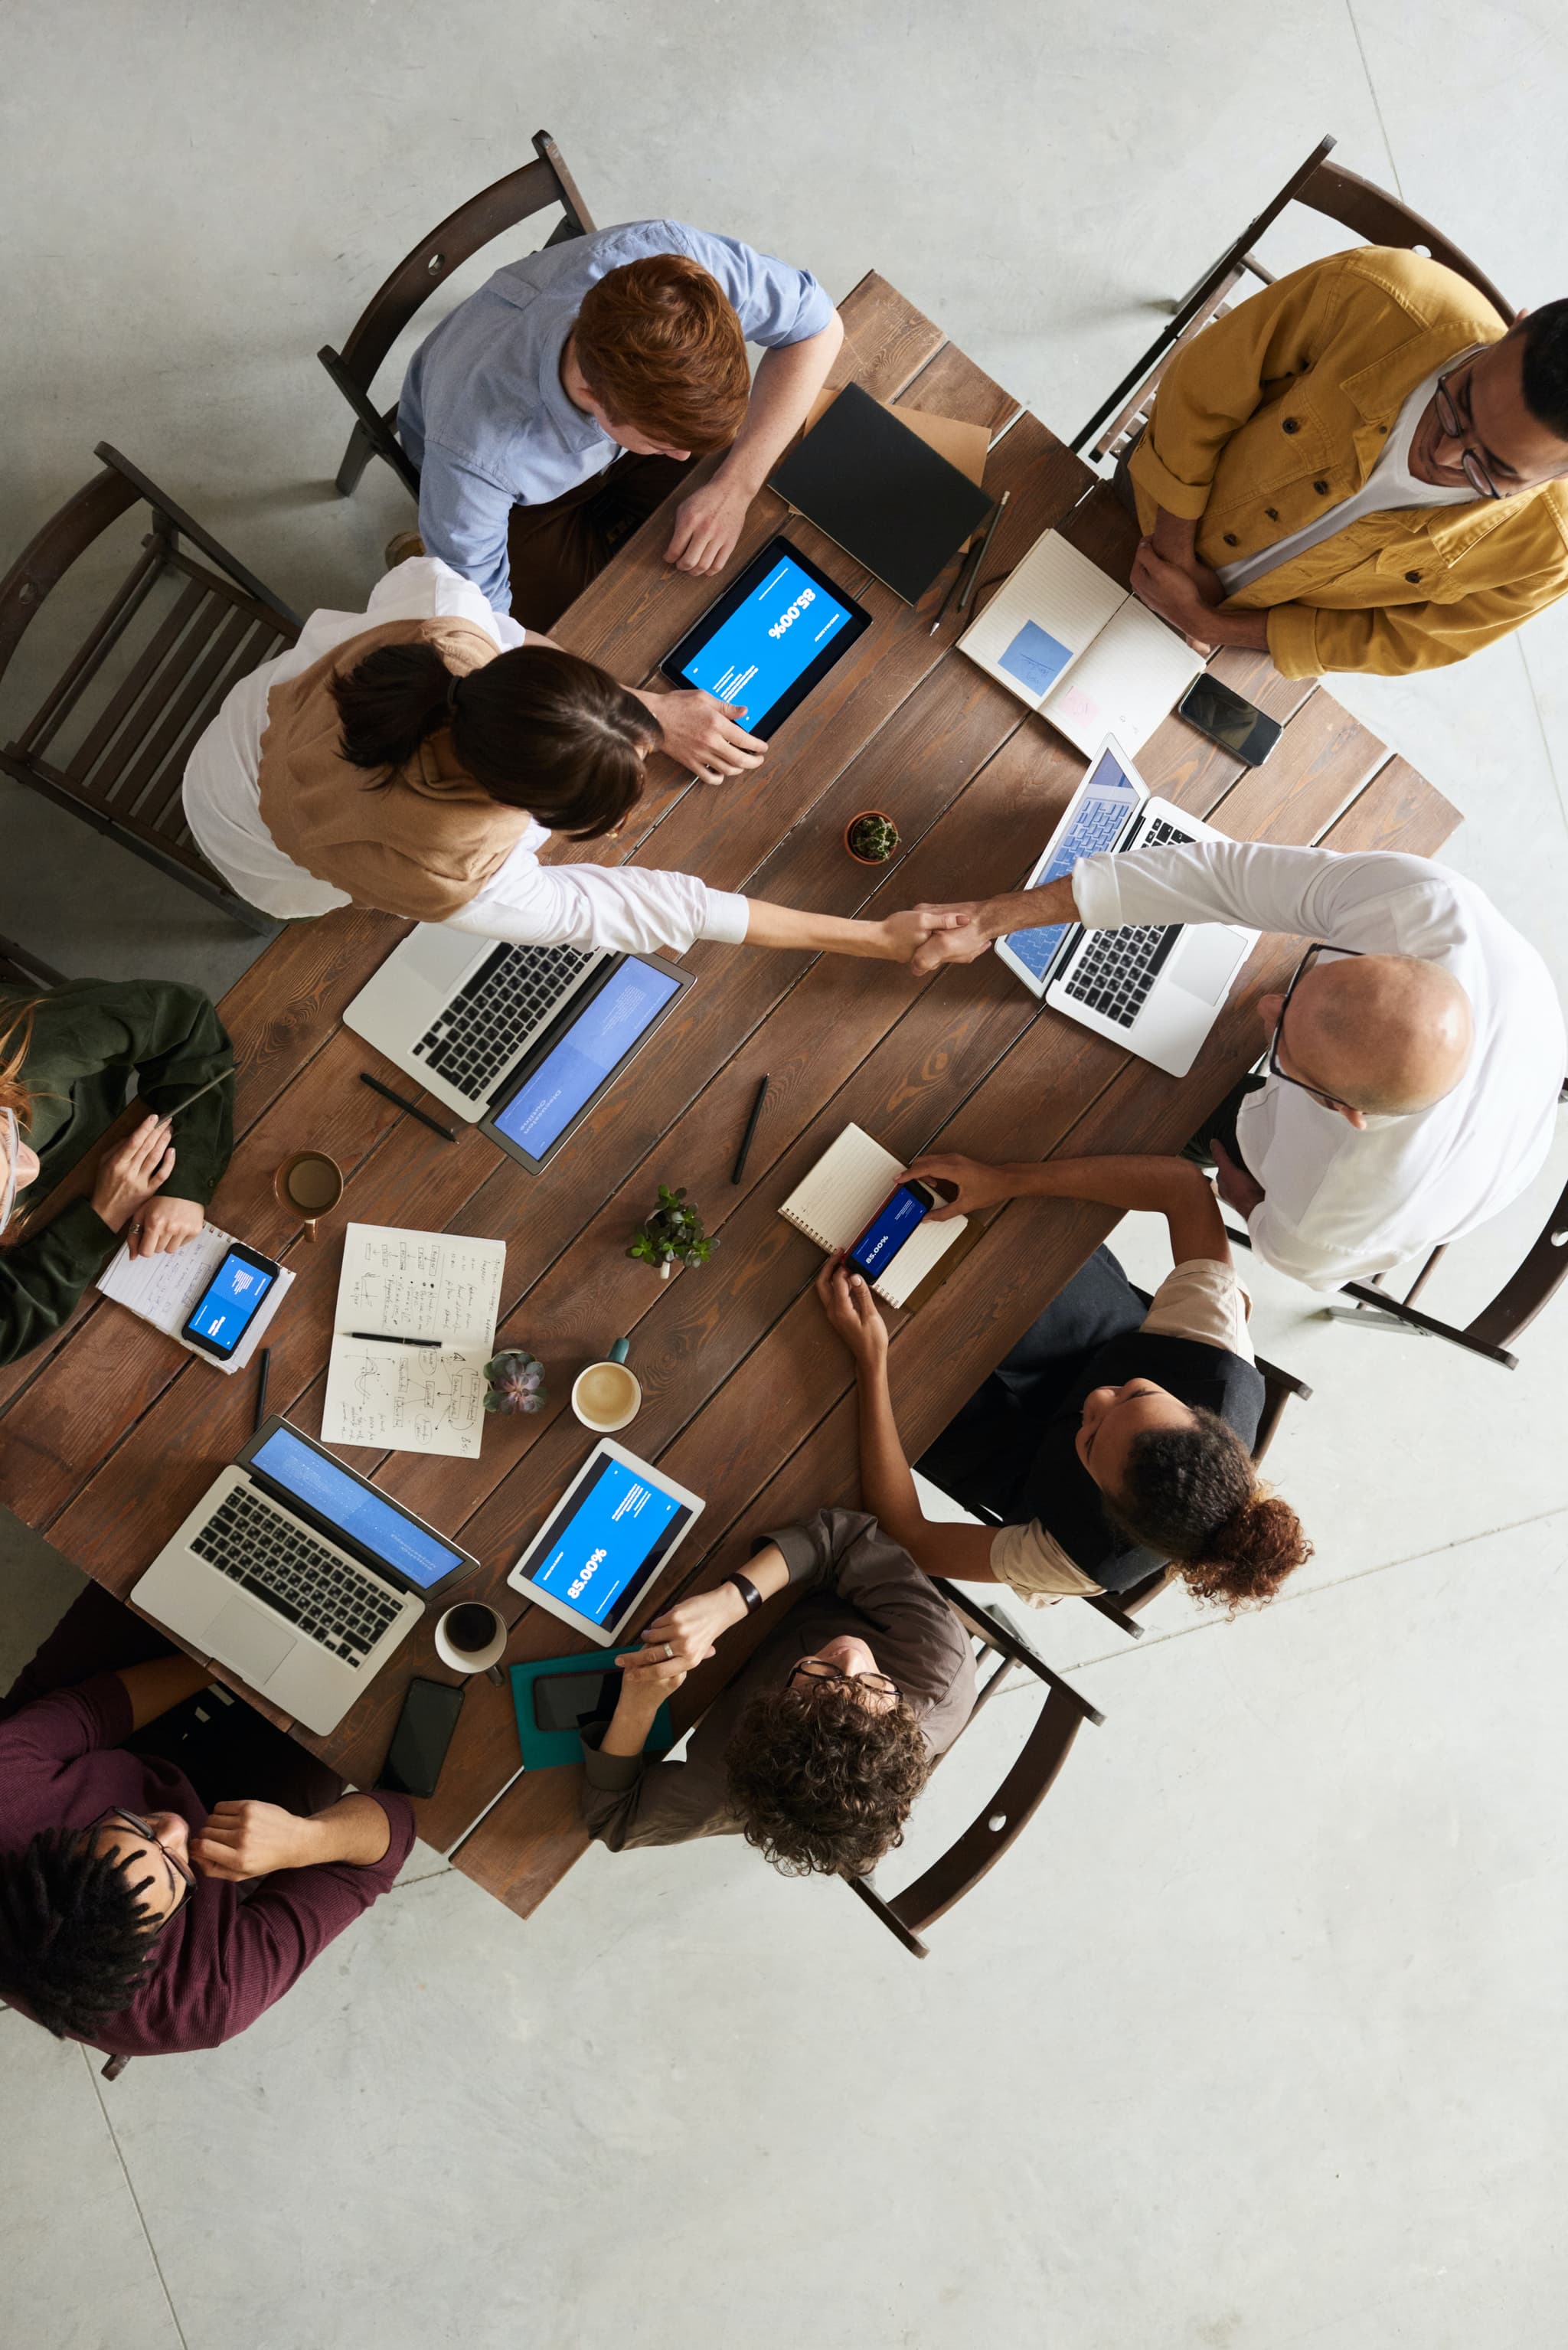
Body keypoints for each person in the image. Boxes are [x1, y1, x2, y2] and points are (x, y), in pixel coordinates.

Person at [184, 555, 950, 966]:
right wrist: (871, 939)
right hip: (259, 857)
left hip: (240, 733)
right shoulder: (467, 878)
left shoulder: (444, 618)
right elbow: (664, 908)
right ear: (522, 809)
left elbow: (497, 639)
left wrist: (642, 709)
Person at [901, 838, 1566, 1289]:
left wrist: (1242, 1194)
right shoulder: (1424, 901)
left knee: (1129, 1116)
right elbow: (1227, 876)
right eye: (1306, 982)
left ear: (1343, 1111)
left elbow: (1272, 1232)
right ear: (1395, 957)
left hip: (1481, 1167)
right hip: (1525, 1076)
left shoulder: (1330, 1218)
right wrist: (996, 917)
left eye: (1283, 1046)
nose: (1265, 1009)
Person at [813, 1155, 1312, 1613]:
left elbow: (913, 1536)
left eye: (1092, 1440)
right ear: (1197, 1410)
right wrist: (1007, 1179)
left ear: (1112, 1511)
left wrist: (871, 1362)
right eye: (1137, 1393)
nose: (1097, 1398)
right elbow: (1183, 1187)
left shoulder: (1084, 1560)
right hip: (1070, 1315)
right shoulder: (1218, 1357)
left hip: (984, 1437)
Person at [0, 1586, 413, 2058]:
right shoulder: (209, 1996)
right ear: (160, 1940)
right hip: (229, 1844)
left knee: (145, 1581)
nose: (176, 1826)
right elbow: (395, 1831)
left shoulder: (9, 1796)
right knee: (355, 1705)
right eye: (174, 1871)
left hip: (83, 1752)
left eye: (134, 1829)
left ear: (63, 1841)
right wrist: (302, 1840)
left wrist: (225, 1660)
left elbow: (96, 1709)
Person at [1121, 247, 1568, 676]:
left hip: (1242, 635)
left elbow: (1412, 641)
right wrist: (1173, 557)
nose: (1443, 454)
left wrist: (1211, 626)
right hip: (1149, 511)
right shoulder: (1375, 293)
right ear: (1515, 328)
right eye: (1459, 404)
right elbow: (1199, 392)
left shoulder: (1553, 549)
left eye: (1490, 469)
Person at [398, 221, 844, 645]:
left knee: (762, 537)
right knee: (596, 630)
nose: (683, 458)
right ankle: (428, 546)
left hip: (597, 440)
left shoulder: (678, 276)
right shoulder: (473, 458)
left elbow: (820, 329)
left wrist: (736, 486)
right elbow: (485, 630)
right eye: (663, 444)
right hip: (516, 498)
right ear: (591, 395)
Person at [577, 1509, 975, 1874]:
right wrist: (730, 1603)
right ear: (896, 1717)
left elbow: (613, 1819)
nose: (851, 1659)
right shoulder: (939, 1656)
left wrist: (638, 1704)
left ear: (767, 1714)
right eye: (872, 1687)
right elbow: (845, 1539)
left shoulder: (743, 1781)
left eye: (819, 1681)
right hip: (757, 1555)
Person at [0, 976, 234, 1367]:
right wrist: (100, 1217)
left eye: (5, 1143)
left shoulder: (27, 1049)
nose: (28, 1172)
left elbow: (184, 1021)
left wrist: (187, 1181)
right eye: (3, 1201)